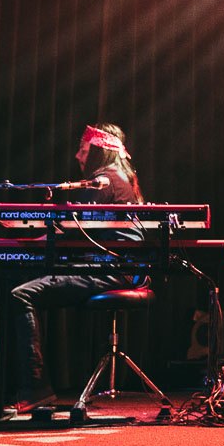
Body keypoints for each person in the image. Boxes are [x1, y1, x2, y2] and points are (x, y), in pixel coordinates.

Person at [11, 123, 146, 412]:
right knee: (28, 286)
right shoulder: (122, 178)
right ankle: (34, 387)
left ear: (98, 151)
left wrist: (23, 239)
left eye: (83, 150)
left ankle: (35, 387)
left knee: (20, 294)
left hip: (111, 270)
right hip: (118, 267)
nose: (77, 156)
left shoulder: (104, 180)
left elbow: (71, 229)